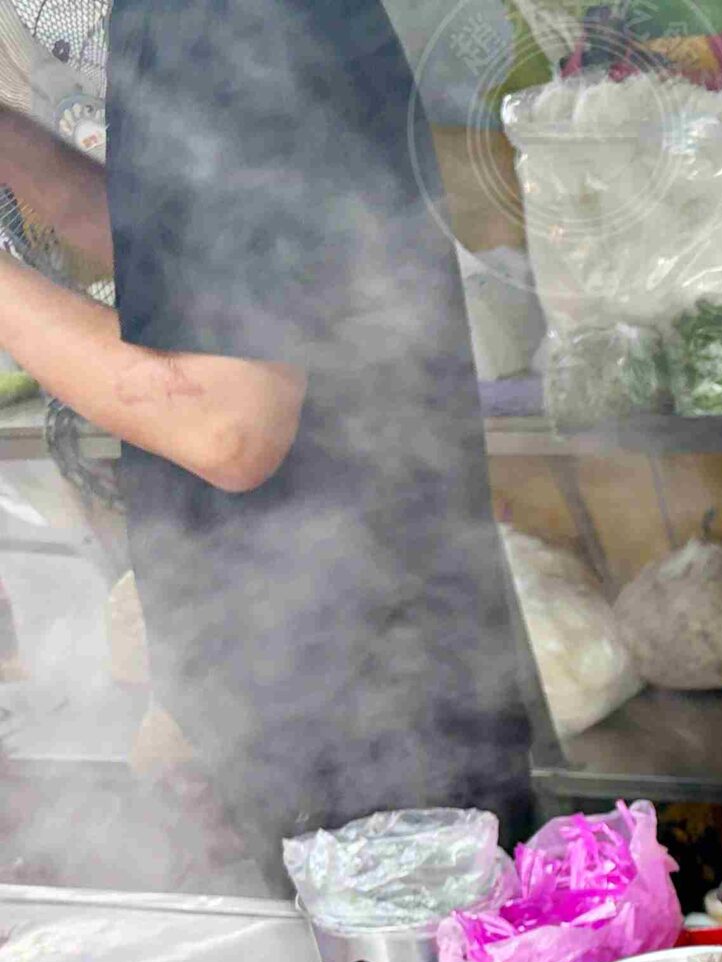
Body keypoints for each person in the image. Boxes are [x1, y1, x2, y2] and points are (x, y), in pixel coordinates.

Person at [0, 0, 532, 885]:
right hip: (328, 703)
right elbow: (185, 254)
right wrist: (24, 158)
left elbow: (226, 425)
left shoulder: (213, 18)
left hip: (366, 726)